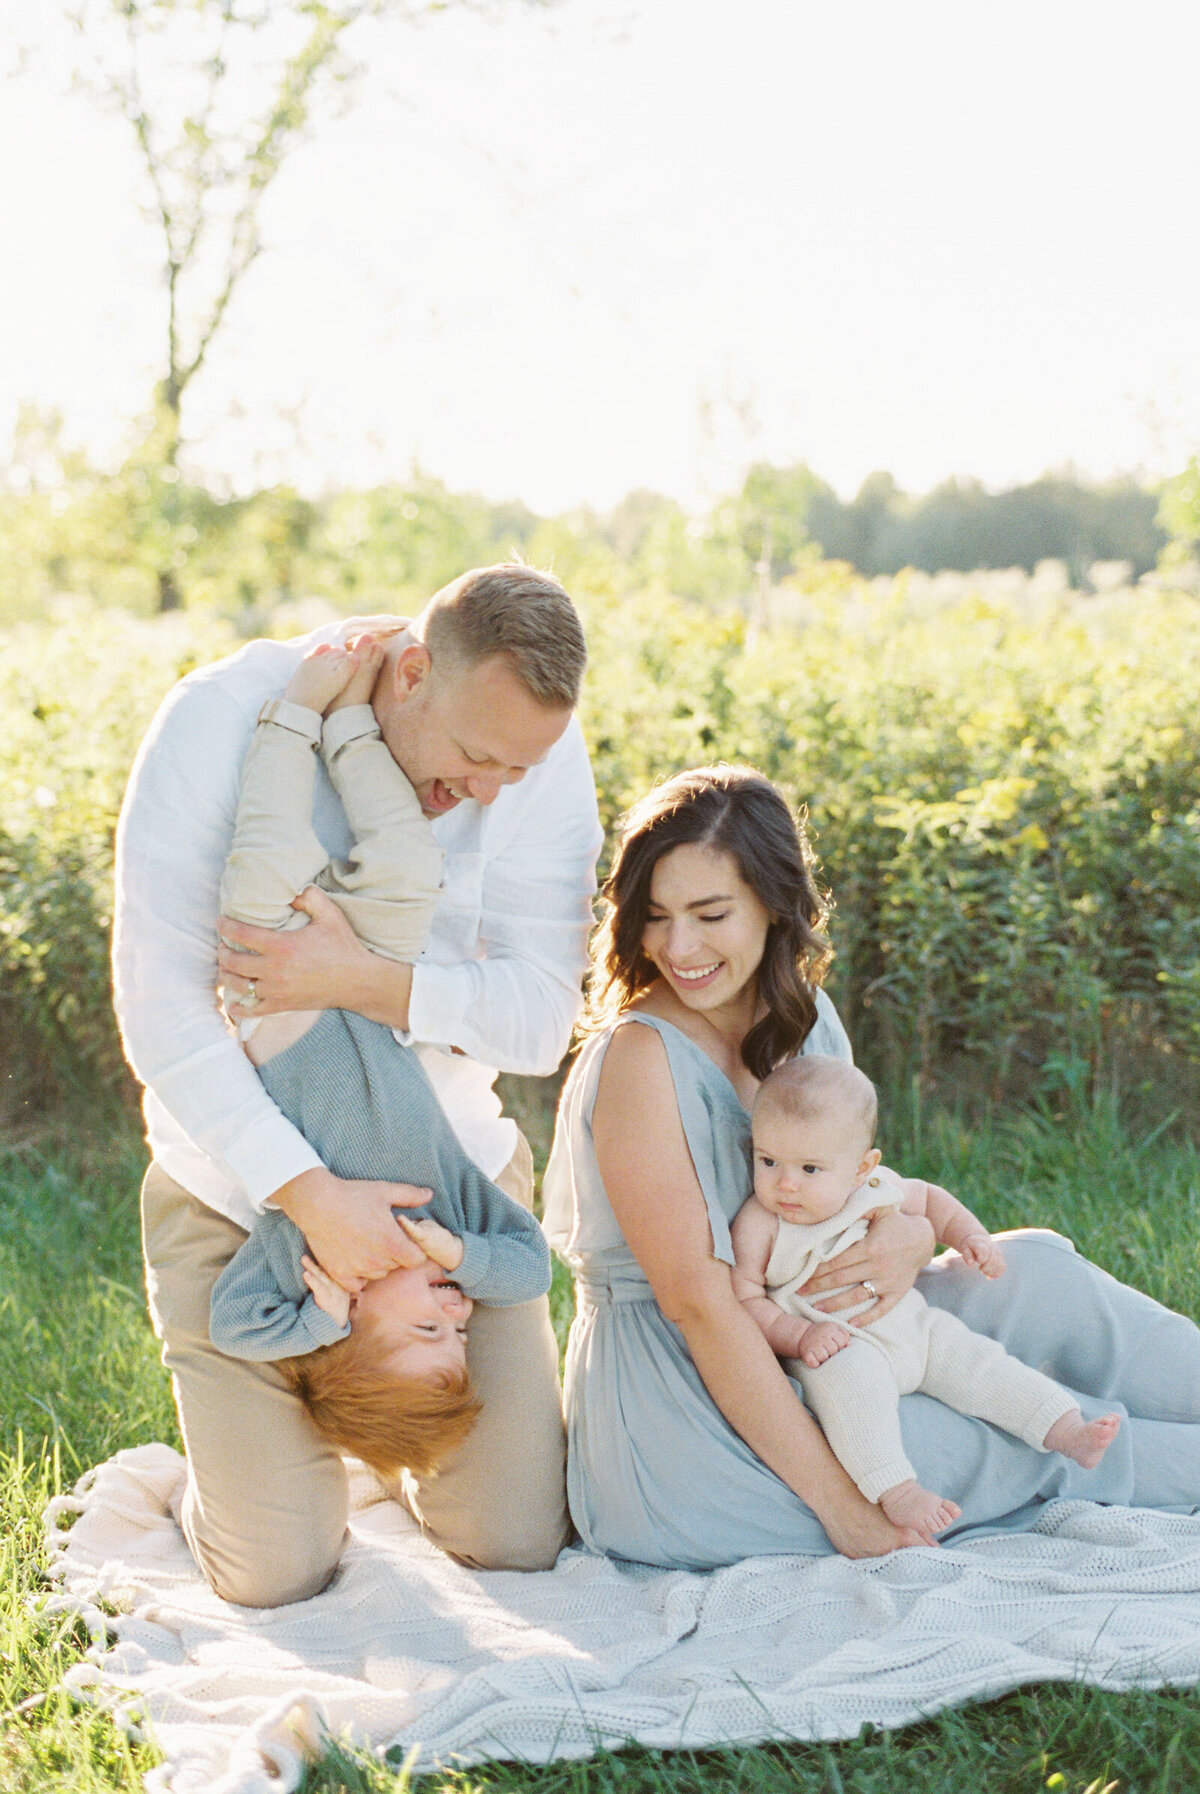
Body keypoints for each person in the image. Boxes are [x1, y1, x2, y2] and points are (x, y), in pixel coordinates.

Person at [542, 763, 1200, 1569]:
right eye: (655, 916)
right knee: (1015, 1437)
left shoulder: (805, 1019)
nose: (679, 947)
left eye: (710, 914)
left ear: (774, 906)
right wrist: (845, 1507)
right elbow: (704, 1310)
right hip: (688, 1413)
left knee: (1038, 1271)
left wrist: (908, 1232)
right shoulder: (641, 1059)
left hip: (837, 1324)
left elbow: (856, 1182)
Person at [113, 563, 603, 1605]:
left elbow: (539, 1022)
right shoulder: (218, 721)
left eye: (515, 769)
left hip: (449, 1189)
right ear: (414, 669)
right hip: (241, 1200)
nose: (489, 791)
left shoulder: (533, 756)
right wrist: (306, 1196)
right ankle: (256, 1467)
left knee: (514, 1538)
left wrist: (363, 982)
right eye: (474, 756)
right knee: (276, 1572)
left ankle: (376, 1440)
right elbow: (160, 1013)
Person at [204, 638, 552, 1486]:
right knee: (407, 862)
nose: (456, 1314)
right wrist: (454, 1252)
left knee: (268, 858)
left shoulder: (319, 1257)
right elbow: (529, 1265)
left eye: (427, 1331)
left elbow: (235, 1325)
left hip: (276, 1002)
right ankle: (354, 726)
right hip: (362, 985)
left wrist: (319, 1316)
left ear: (356, 1317)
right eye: (459, 1334)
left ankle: (295, 717)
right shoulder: (450, 1222)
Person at [731, 1056, 1120, 1545]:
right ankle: (896, 1490)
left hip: (913, 1329)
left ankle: (1064, 1428)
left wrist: (970, 1236)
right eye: (768, 1161)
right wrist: (800, 1335)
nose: (785, 1183)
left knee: (980, 1363)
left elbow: (932, 1200)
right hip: (838, 1348)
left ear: (861, 1167)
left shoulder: (875, 1189)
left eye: (809, 1168)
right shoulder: (762, 1223)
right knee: (854, 1397)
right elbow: (744, 1297)